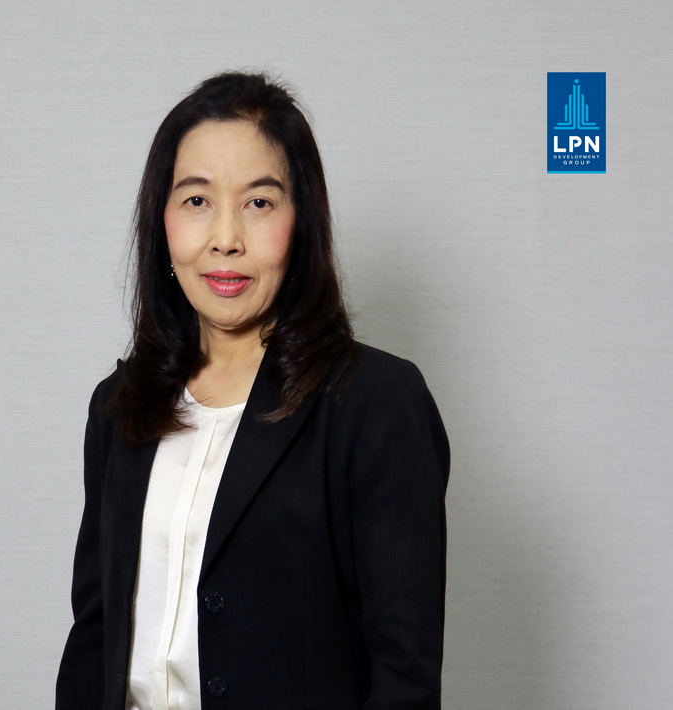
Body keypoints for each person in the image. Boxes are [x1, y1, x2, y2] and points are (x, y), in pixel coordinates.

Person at [56, 71, 450, 710]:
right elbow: (94, 639)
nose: (225, 239)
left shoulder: (375, 403)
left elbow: (404, 676)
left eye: (259, 203)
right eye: (197, 200)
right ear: (162, 221)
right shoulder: (120, 404)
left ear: (303, 221)